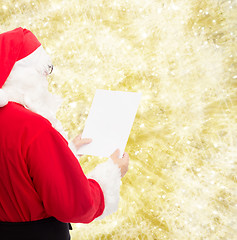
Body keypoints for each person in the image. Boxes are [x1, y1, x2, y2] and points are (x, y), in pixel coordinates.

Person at [0, 27, 129, 240]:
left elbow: (19, 170)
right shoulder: (34, 128)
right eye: (43, 72)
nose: (46, 81)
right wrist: (112, 171)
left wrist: (66, 150)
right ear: (23, 75)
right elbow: (74, 204)